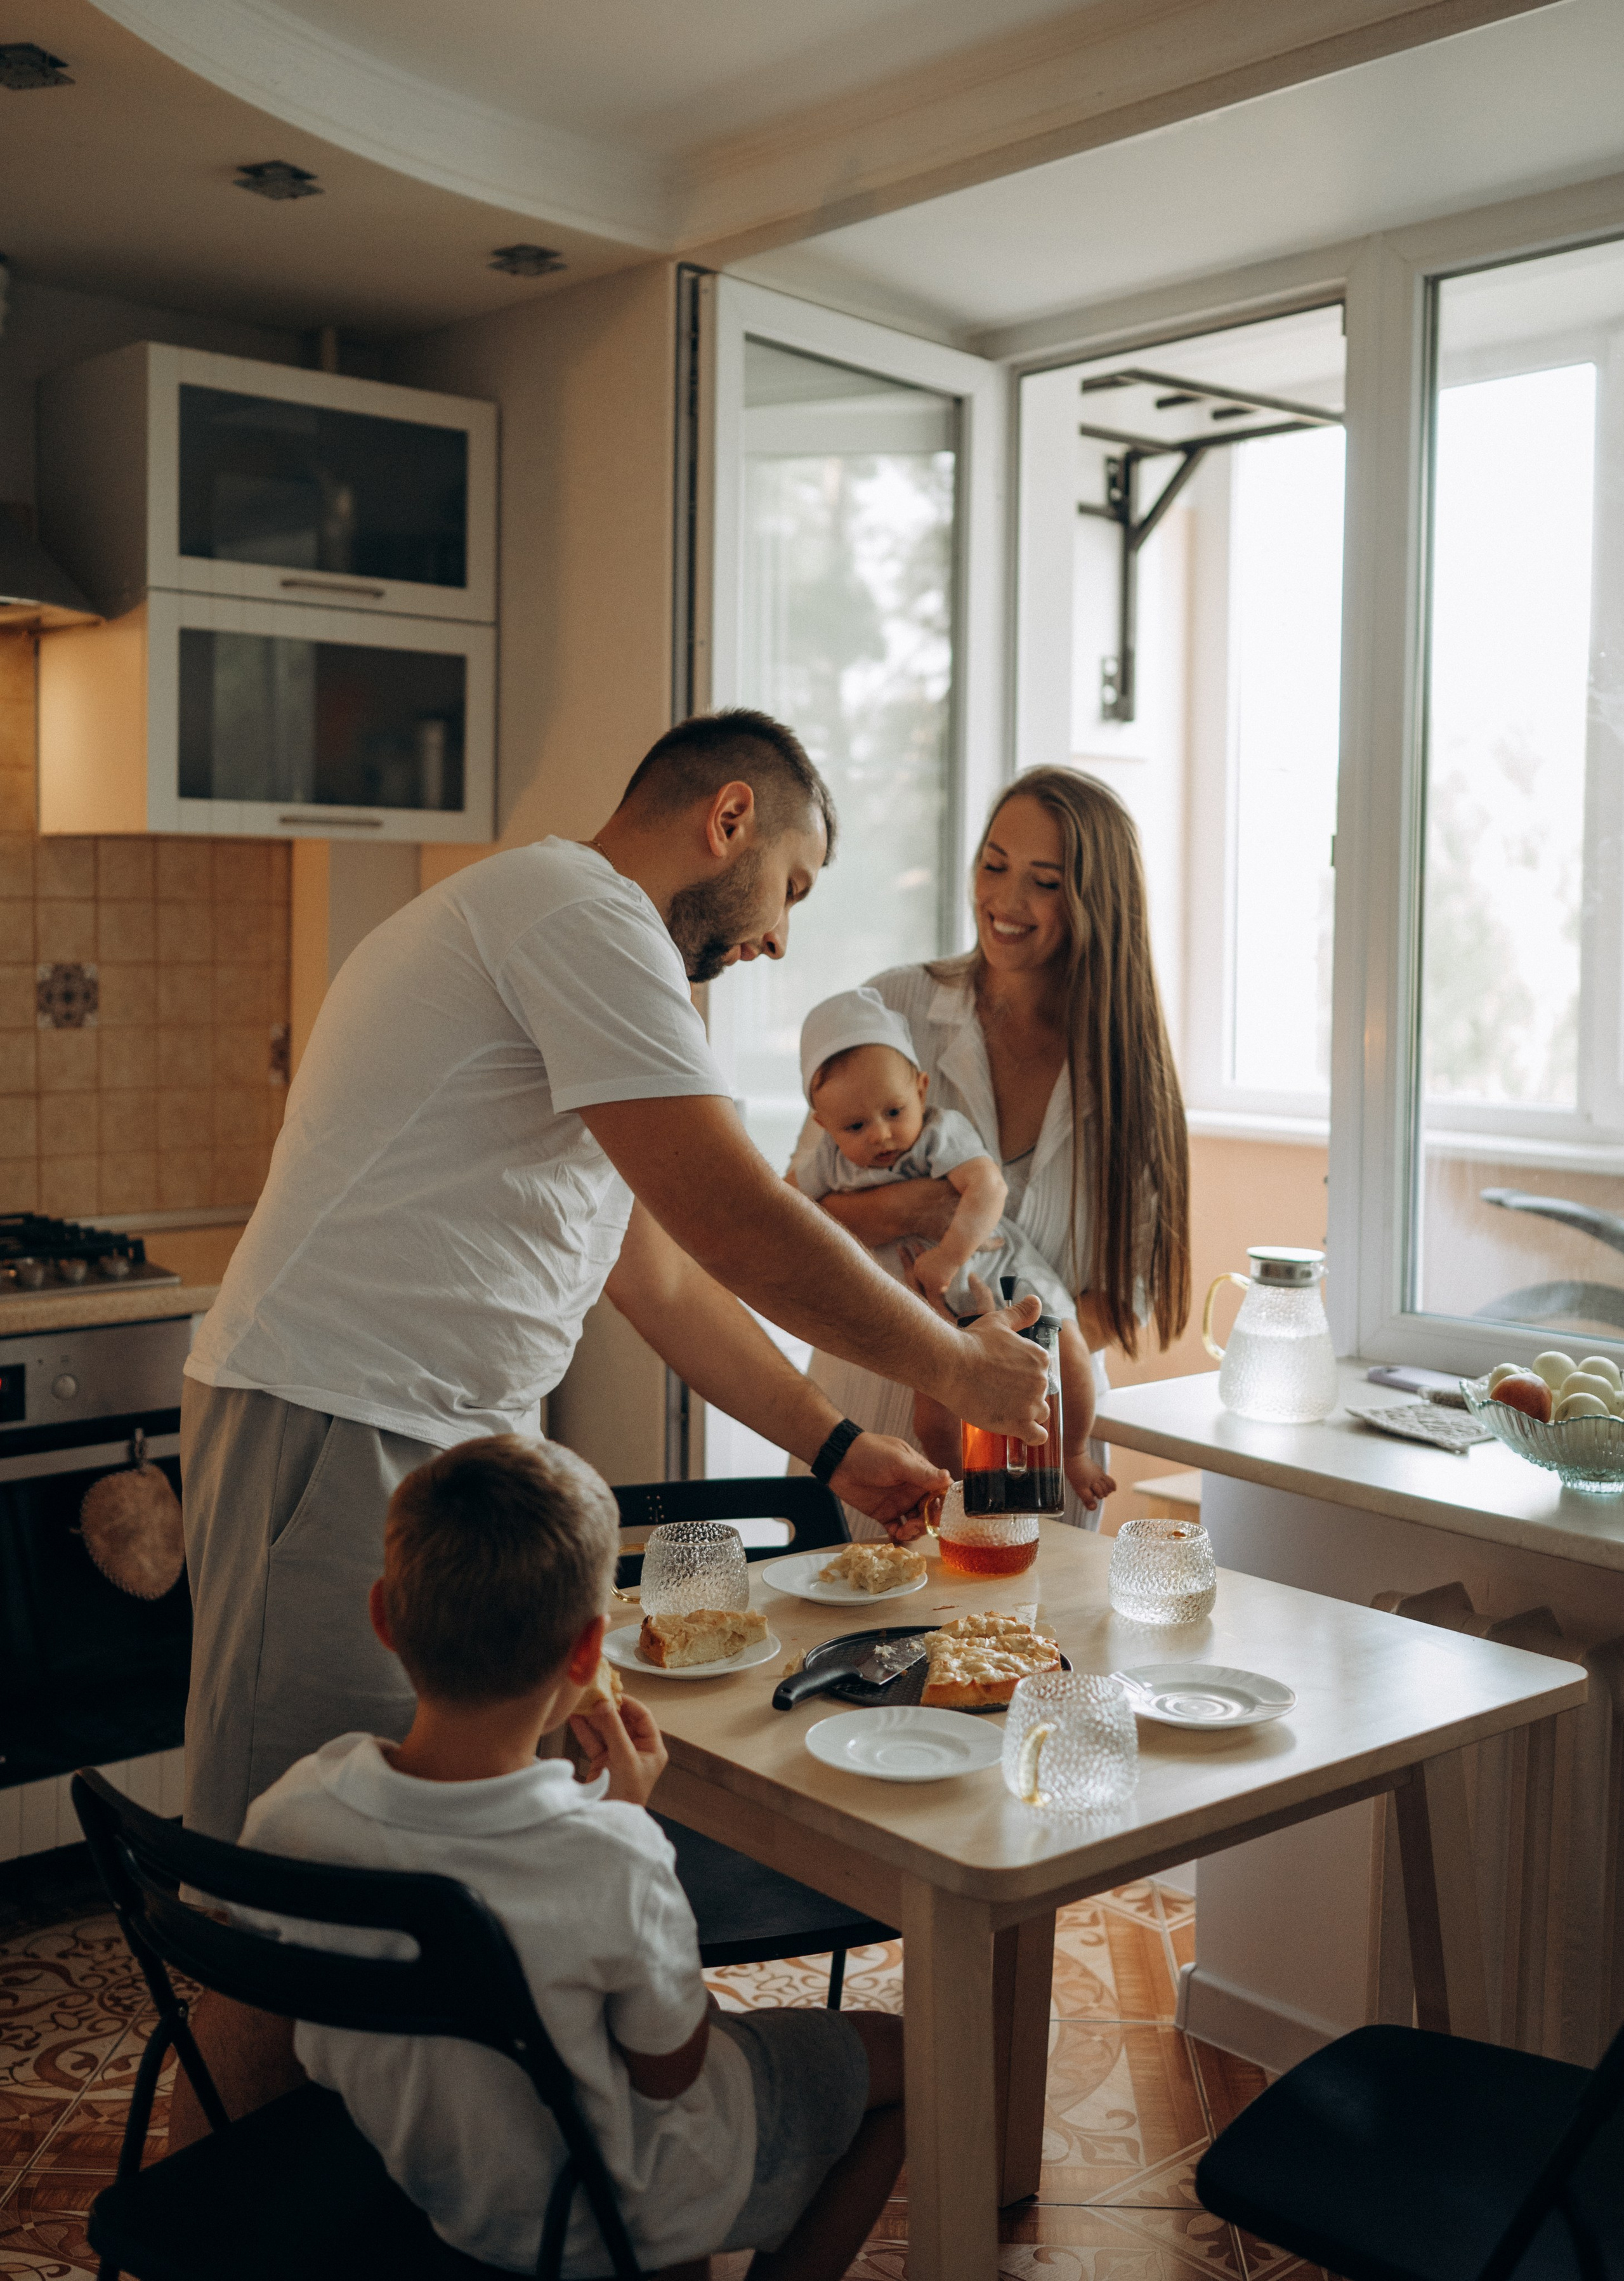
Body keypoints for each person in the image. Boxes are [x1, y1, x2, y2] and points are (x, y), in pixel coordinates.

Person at [181, 707, 1049, 1849]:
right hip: (332, 1412)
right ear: (729, 818)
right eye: (790, 888)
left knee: (433, 1850)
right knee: (287, 1861)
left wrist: (839, 1445)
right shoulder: (579, 913)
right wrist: (956, 1368)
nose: (780, 940)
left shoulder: (588, 945)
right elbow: (737, 1221)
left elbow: (664, 1279)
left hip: (447, 1438)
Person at [239, 1436, 903, 2281]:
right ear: (589, 1653)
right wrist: (627, 1823)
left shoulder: (292, 1810)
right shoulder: (611, 1857)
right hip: (603, 2201)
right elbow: (671, 2075)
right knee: (905, 2058)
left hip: (434, 2178)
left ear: (384, 1616)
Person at [799, 767, 1191, 1537]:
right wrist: (922, 1212)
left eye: (1044, 882)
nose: (1006, 901)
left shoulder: (1131, 1073)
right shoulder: (895, 1009)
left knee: (1027, 1615)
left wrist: (1000, 1360)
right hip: (872, 1423)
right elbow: (798, 1215)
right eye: (993, 864)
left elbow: (1125, 1296)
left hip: (1036, 1440)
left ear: (1095, 902)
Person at [789, 987, 1113, 1507]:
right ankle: (961, 1494)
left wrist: (949, 1256)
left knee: (1067, 1348)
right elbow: (784, 1207)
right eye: (856, 1125)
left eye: (894, 1111)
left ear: (921, 1090)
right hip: (929, 1309)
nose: (881, 1134)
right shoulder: (829, 1159)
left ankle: (1074, 1452)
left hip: (1000, 1269)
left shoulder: (939, 1133)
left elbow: (988, 1188)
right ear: (823, 1124)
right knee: (932, 1420)